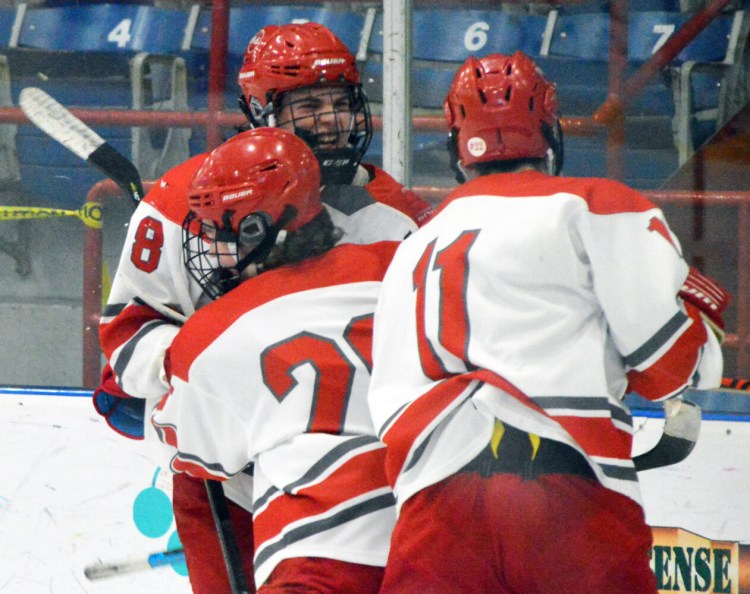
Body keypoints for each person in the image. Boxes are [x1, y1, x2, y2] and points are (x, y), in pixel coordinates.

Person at [367, 51, 729, 594]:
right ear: (550, 132)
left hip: (433, 505)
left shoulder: (412, 247)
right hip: (564, 496)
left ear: (455, 147)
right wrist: (703, 316)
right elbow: (673, 369)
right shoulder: (597, 205)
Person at [94, 21, 431, 594]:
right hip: (224, 484)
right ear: (258, 108)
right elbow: (128, 338)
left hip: (364, 475)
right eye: (308, 105)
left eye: (338, 102)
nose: (329, 121)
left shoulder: (396, 212)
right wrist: (200, 366)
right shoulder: (185, 203)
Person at [152, 126, 398, 592]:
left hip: (316, 562)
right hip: (433, 538)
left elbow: (200, 458)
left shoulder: (211, 333)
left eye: (216, 229)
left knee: (193, 485)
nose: (208, 247)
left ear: (256, 229)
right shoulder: (400, 264)